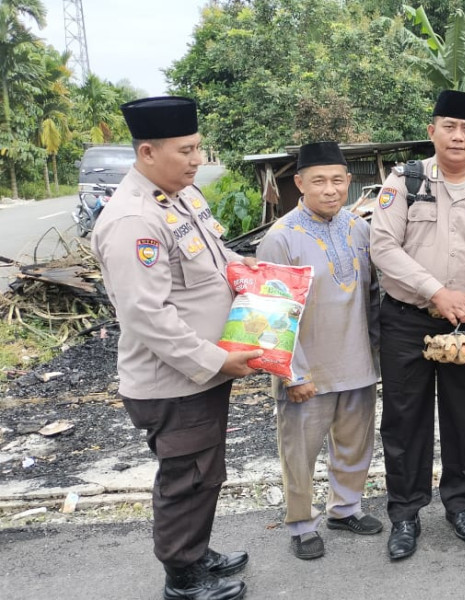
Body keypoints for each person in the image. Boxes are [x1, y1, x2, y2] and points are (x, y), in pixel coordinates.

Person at [91, 96, 262, 600]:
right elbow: (146, 315)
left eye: (198, 149)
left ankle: (196, 550)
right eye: (186, 150)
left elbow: (215, 254)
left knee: (205, 471)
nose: (196, 160)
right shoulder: (133, 221)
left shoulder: (181, 198)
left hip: (202, 374)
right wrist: (214, 359)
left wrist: (249, 272)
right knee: (187, 477)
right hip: (175, 380)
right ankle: (182, 579)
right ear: (147, 152)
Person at [370, 90, 465, 560]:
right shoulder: (402, 182)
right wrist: (437, 291)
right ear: (431, 130)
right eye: (448, 126)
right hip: (408, 320)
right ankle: (406, 513)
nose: (457, 136)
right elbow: (383, 248)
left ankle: (460, 504)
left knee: (462, 417)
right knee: (404, 420)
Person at [256, 141, 383, 560]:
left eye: (337, 180)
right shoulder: (280, 238)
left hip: (358, 362)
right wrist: (292, 374)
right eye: (318, 181)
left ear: (348, 182)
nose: (330, 190)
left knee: (354, 444)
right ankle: (301, 524)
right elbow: (270, 316)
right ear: (299, 184)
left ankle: (345, 509)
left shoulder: (360, 228)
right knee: (300, 454)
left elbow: (373, 298)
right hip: (306, 370)